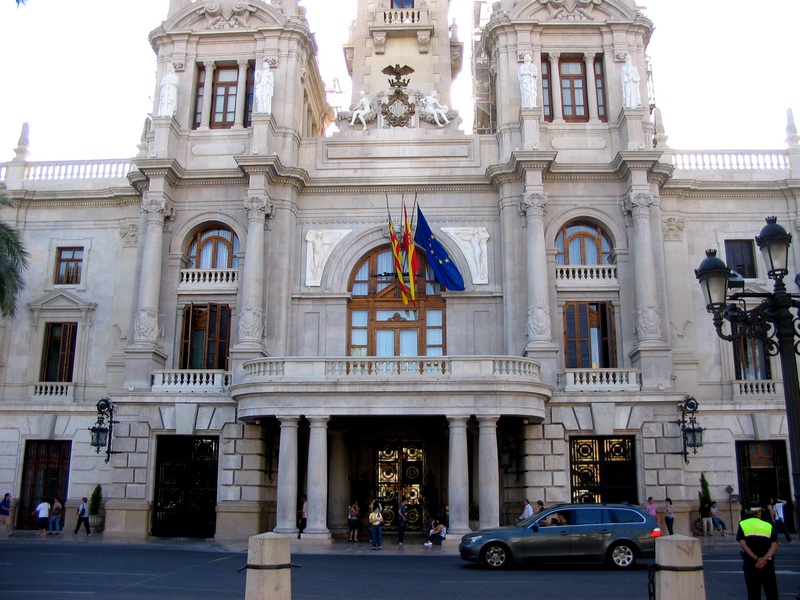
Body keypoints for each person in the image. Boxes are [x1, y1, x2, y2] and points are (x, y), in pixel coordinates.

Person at [736, 503, 779, 600]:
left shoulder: (743, 524)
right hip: (767, 564)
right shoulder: (768, 525)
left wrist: (756, 558)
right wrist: (764, 559)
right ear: (758, 512)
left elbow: (743, 544)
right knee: (771, 593)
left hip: (751, 564)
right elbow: (774, 545)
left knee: (753, 593)